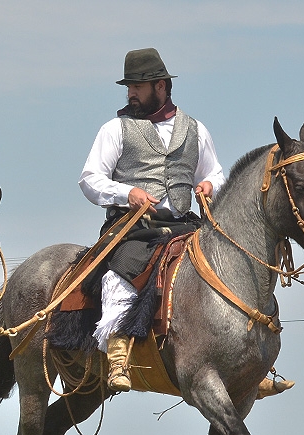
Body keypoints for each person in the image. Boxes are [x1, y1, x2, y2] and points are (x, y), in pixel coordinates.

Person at [79, 48, 227, 393]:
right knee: (122, 272)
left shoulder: (195, 129)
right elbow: (90, 178)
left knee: (225, 267)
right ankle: (117, 354)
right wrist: (126, 193)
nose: (131, 92)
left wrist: (208, 185)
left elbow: (216, 173)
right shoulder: (115, 128)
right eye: (129, 86)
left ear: (160, 86)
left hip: (183, 224)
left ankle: (242, 359)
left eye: (138, 86)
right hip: (133, 229)